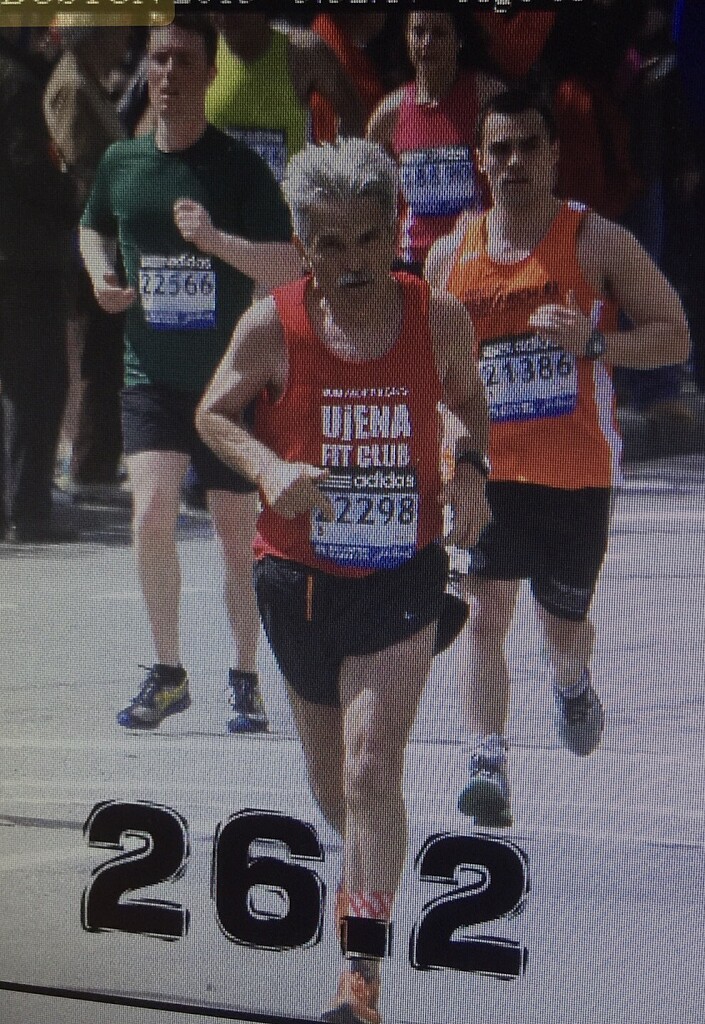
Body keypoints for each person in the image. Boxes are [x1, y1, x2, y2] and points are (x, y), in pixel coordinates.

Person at [196, 137, 490, 1024]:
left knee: (369, 768)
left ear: (395, 229)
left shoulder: (436, 316)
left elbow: (466, 401)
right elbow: (213, 413)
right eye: (330, 244)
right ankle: (366, 876)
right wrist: (266, 467)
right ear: (301, 245)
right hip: (297, 580)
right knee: (336, 789)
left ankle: (358, 976)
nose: (354, 261)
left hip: (400, 572)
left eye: (369, 238)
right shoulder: (271, 325)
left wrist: (468, 470)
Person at [425, 88, 690, 829]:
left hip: (576, 473)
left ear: (553, 155)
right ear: (480, 161)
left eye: (528, 147)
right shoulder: (450, 256)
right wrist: (453, 453)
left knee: (562, 622)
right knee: (484, 614)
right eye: (499, 149)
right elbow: (434, 372)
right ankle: (486, 761)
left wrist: (594, 342)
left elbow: (674, 335)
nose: (514, 162)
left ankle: (571, 683)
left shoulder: (595, 240)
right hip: (489, 470)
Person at [79, 15, 291, 733]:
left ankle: (245, 675)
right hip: (151, 377)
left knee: (236, 537)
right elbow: (92, 225)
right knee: (149, 516)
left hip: (227, 385)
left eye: (184, 60)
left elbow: (287, 264)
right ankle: (168, 672)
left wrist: (215, 240)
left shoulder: (238, 167)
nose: (169, 73)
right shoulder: (122, 161)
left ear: (210, 72)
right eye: (160, 59)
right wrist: (101, 274)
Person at [0, 28, 78, 543]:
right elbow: (30, 164)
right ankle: (27, 509)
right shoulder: (17, 83)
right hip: (23, 259)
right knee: (37, 384)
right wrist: (72, 189)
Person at [367, 9, 503, 273]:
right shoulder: (388, 114)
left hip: (475, 258)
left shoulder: (488, 97)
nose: (427, 42)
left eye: (439, 33)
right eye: (418, 32)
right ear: (406, 37)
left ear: (458, 40)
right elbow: (370, 200)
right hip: (411, 263)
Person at [205, 12, 365, 183]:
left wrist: (339, 173)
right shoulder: (198, 52)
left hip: (286, 198)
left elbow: (353, 113)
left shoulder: (302, 51)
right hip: (220, 197)